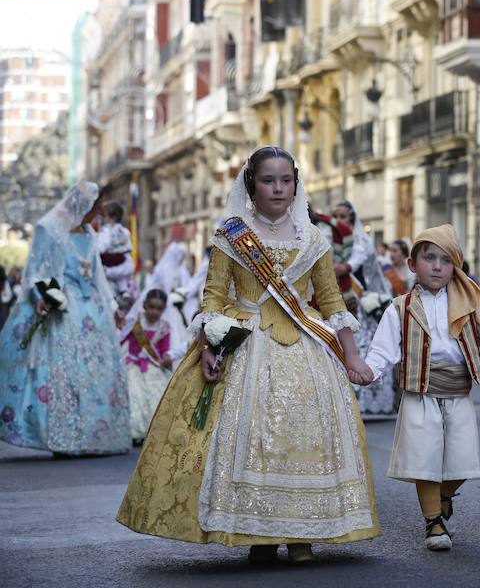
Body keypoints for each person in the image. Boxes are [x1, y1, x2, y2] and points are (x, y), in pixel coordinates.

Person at [116, 146, 379, 564]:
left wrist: (352, 356)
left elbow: (331, 300)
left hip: (305, 351)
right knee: (248, 438)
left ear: (296, 184)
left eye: (285, 181)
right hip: (245, 345)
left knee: (304, 438)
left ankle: (302, 536)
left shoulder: (312, 239)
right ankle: (255, 532)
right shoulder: (232, 234)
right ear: (250, 185)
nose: (278, 189)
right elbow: (214, 296)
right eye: (268, 180)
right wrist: (207, 347)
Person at [363, 224, 480, 550]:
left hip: (458, 391)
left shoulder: (470, 302)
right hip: (419, 391)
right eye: (429, 258)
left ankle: (444, 497)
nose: (437, 266)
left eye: (446, 260)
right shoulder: (399, 308)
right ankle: (434, 523)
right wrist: (364, 371)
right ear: (412, 264)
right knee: (424, 459)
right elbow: (382, 353)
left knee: (462, 460)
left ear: (455, 266)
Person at [0, 181, 131, 456]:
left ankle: (94, 435)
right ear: (81, 205)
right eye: (95, 208)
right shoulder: (49, 229)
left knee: (94, 373)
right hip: (65, 310)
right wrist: (42, 299)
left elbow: (98, 275)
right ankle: (66, 436)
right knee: (65, 374)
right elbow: (36, 270)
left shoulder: (89, 233)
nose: (97, 213)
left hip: (93, 312)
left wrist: (112, 306)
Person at [331, 200, 398, 419]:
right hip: (336, 301)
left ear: (351, 218)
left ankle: (369, 397)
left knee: (363, 349)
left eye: (343, 216)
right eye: (336, 216)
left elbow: (354, 264)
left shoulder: (362, 240)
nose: (338, 220)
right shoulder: (330, 239)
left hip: (358, 301)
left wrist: (342, 268)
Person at [119, 288, 172, 446]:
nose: (154, 312)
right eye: (151, 307)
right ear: (144, 305)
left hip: (153, 367)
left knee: (157, 394)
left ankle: (152, 432)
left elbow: (164, 350)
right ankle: (134, 431)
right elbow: (121, 340)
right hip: (133, 365)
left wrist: (166, 359)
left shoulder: (163, 327)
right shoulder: (135, 322)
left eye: (159, 309)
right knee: (134, 394)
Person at [98, 201, 136, 298]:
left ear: (113, 217)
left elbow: (102, 245)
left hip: (111, 257)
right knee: (120, 279)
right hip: (116, 257)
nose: (102, 219)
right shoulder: (124, 230)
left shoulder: (106, 230)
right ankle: (123, 290)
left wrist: (98, 250)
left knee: (117, 277)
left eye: (104, 216)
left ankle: (122, 290)